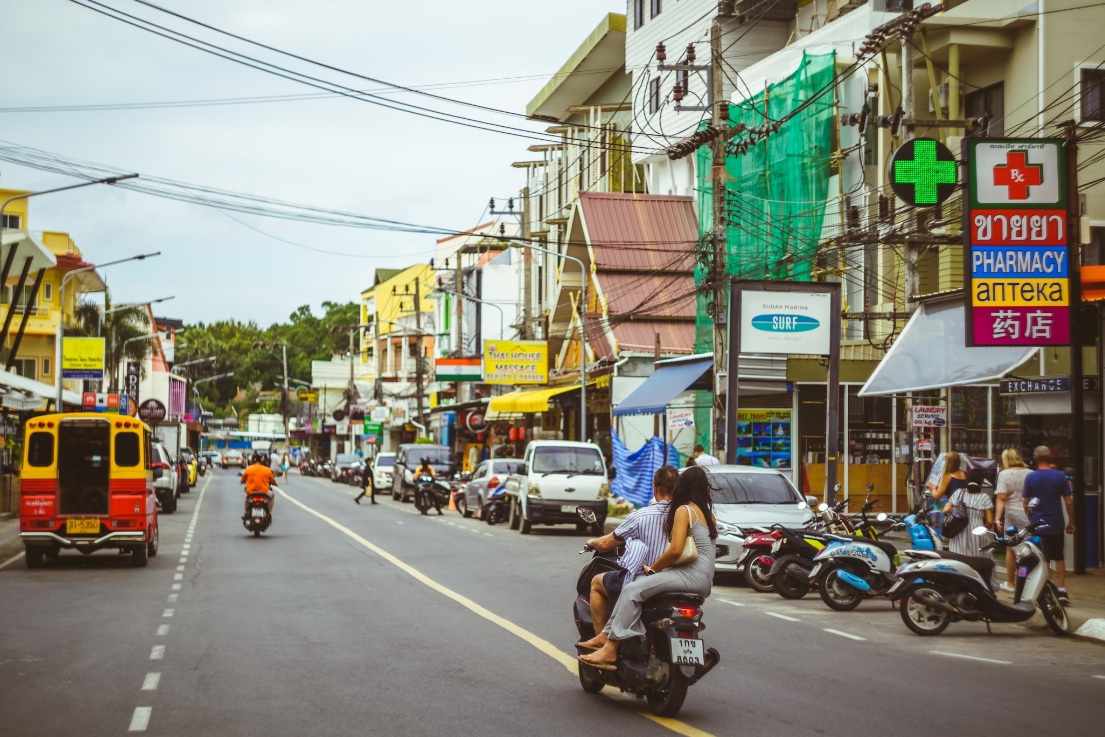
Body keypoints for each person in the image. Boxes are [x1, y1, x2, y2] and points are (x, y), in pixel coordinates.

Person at [580, 465, 717, 669]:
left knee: (632, 590)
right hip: (703, 581)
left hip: (689, 576)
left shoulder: (684, 510)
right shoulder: (708, 515)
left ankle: (610, 648)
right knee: (638, 586)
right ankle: (605, 635)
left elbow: (675, 550)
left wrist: (652, 569)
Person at [576, 466, 677, 648]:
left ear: (654, 487)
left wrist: (593, 542)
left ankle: (602, 643)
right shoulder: (686, 516)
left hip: (646, 580)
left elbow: (606, 543)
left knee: (597, 583)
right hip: (679, 582)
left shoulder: (640, 516)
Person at [1023, 446, 1075, 604]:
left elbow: (1025, 503)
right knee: (1059, 556)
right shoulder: (1059, 476)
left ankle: (1047, 589)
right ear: (1050, 457)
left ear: (1035, 458)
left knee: (1043, 558)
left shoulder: (1030, 477)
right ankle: (1062, 590)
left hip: (1038, 524)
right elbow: (1068, 501)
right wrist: (1071, 522)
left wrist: (1031, 517)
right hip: (1056, 523)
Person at [994, 448, 1031, 592]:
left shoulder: (1004, 474)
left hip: (1012, 513)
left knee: (1011, 548)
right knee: (1029, 548)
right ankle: (1028, 582)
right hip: (1029, 513)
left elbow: (1001, 497)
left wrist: (997, 518)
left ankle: (1011, 583)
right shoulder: (1030, 473)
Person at [943, 467, 994, 563]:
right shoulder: (985, 497)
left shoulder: (958, 493)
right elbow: (989, 521)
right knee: (979, 563)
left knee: (958, 562)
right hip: (978, 534)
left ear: (967, 479)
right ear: (982, 481)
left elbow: (945, 510)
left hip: (957, 532)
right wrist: (985, 528)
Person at [240, 453, 277, 518]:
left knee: (246, 497)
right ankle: (269, 512)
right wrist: (275, 484)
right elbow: (272, 481)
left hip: (251, 492)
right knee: (272, 495)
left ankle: (247, 511)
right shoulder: (267, 470)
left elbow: (242, 480)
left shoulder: (248, 468)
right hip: (264, 492)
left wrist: (243, 481)